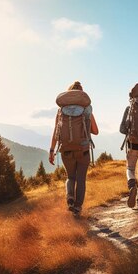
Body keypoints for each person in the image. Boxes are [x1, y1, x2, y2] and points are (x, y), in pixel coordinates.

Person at [49, 81, 99, 217]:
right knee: (81, 179)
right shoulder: (87, 108)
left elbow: (56, 132)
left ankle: (70, 198)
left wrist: (52, 150)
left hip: (65, 149)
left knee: (71, 177)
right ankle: (77, 208)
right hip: (82, 150)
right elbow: (96, 131)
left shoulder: (61, 110)